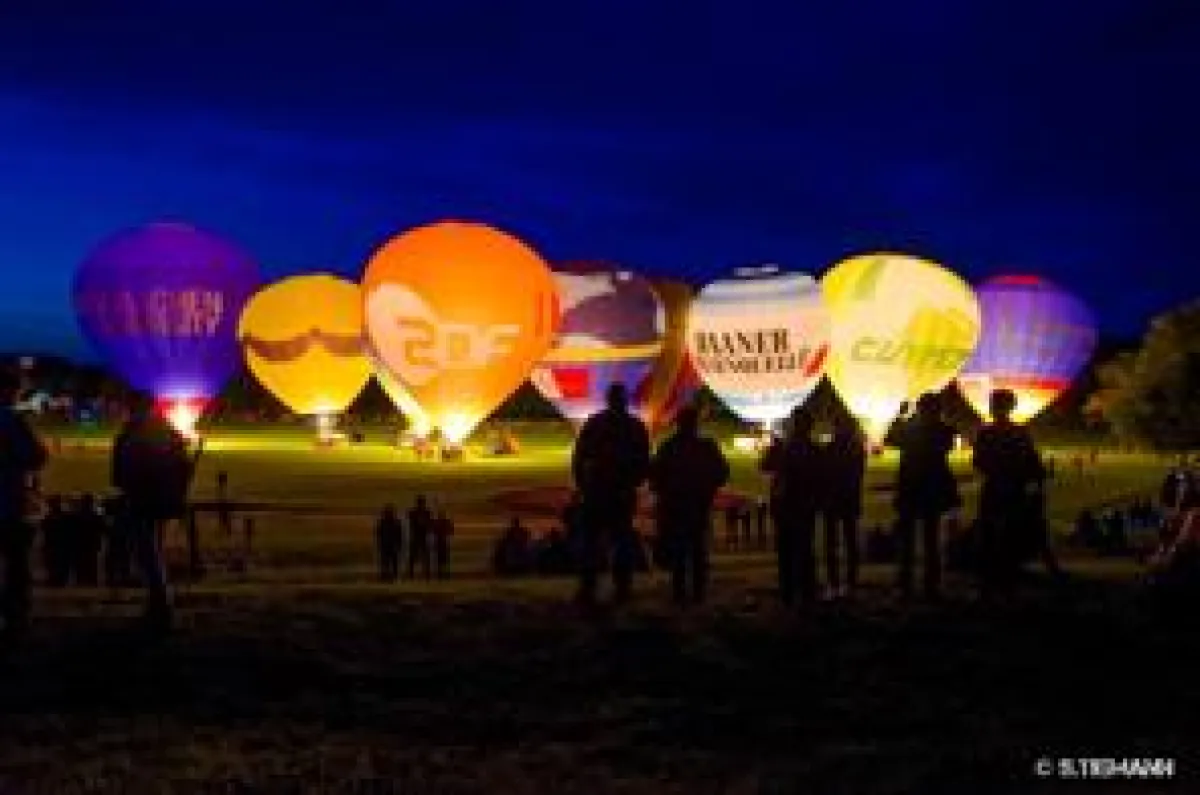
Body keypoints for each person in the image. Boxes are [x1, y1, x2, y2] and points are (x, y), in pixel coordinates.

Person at [111, 395, 201, 634]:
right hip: (162, 500)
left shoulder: (133, 435)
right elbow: (183, 466)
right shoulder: (169, 432)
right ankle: (158, 604)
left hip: (141, 500)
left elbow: (120, 474)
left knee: (147, 554)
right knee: (152, 551)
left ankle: (160, 605)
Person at [571, 382, 651, 606]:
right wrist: (635, 482)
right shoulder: (635, 426)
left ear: (607, 399)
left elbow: (579, 457)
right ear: (625, 400)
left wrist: (582, 484)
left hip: (597, 491)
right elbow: (644, 460)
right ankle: (622, 588)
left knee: (592, 542)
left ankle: (588, 587)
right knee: (621, 540)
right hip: (620, 493)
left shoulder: (595, 424)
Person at [971, 389, 1059, 594]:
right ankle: (1004, 570)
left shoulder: (988, 434)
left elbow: (980, 462)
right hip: (1011, 487)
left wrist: (999, 469)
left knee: (996, 529)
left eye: (996, 404)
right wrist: (1033, 476)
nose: (994, 408)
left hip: (998, 487)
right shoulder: (1017, 433)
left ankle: (995, 571)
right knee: (1005, 528)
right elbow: (1031, 461)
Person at [647, 406, 730, 606]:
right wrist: (707, 489)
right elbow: (722, 473)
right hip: (697, 505)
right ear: (695, 423)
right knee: (697, 550)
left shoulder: (668, 447)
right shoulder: (707, 447)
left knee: (679, 551)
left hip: (675, 507)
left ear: (678, 423)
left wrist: (665, 495)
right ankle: (698, 593)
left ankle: (679, 592)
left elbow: (655, 478)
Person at [893, 392, 959, 600]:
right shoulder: (944, 431)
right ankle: (930, 585)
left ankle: (907, 586)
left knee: (909, 541)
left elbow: (891, 438)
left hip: (912, 490)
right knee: (930, 540)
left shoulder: (912, 430)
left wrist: (900, 417)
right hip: (932, 490)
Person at [0, 368, 48, 648]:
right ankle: (15, 618)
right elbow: (37, 456)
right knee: (16, 565)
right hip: (10, 502)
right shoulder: (14, 422)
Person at [761, 406, 824, 607]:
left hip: (787, 506)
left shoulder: (785, 448)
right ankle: (805, 592)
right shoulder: (814, 450)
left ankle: (789, 592)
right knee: (803, 549)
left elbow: (765, 466)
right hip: (803, 506)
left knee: (787, 550)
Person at [822, 413, 867, 598]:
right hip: (848, 499)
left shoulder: (831, 448)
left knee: (834, 543)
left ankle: (835, 582)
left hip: (834, 500)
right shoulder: (856, 449)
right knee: (849, 542)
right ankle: (850, 582)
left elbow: (824, 475)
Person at [72, 494, 105, 586]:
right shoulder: (95, 516)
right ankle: (91, 579)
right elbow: (102, 528)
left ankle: (82, 579)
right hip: (92, 542)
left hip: (82, 542)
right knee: (92, 561)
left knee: (82, 562)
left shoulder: (77, 516)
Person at [40, 495, 72, 587]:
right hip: (60, 544)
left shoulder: (49, 518)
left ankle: (55, 579)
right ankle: (60, 579)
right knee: (59, 563)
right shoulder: (65, 517)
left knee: (53, 563)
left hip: (53, 544)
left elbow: (44, 528)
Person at [407, 494, 433, 580]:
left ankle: (426, 574)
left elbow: (429, 524)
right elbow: (411, 524)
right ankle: (411, 574)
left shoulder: (426, 513)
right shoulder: (413, 513)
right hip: (416, 536)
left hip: (422, 537)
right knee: (413, 557)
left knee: (425, 558)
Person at [376, 504, 402, 582]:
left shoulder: (395, 523)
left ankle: (393, 575)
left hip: (392, 545)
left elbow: (399, 535)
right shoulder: (383, 523)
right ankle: (385, 575)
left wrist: (398, 545)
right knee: (385, 562)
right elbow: (379, 535)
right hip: (385, 545)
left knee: (393, 562)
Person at [433, 508, 454, 579]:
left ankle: (444, 574)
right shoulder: (440, 522)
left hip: (443, 543)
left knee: (444, 560)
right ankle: (442, 574)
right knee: (441, 560)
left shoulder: (441, 522)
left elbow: (451, 531)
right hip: (441, 543)